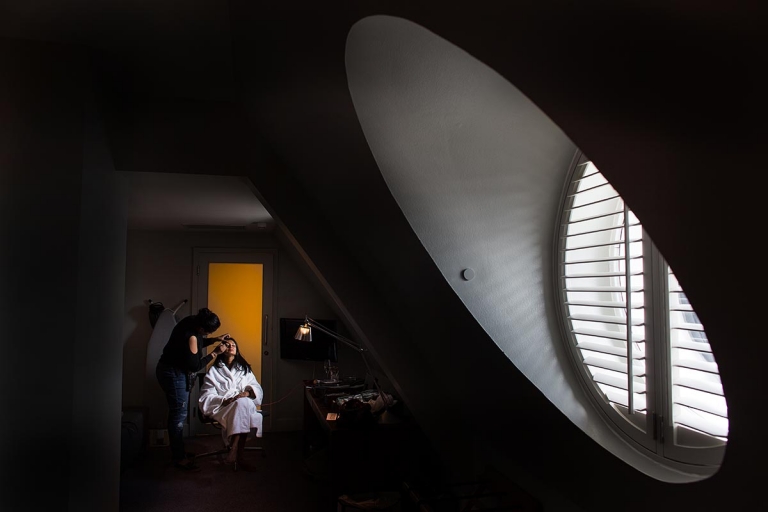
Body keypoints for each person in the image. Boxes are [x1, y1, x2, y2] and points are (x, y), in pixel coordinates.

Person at [156, 307, 231, 471]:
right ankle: (178, 458)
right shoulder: (191, 336)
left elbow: (199, 340)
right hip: (173, 373)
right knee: (179, 415)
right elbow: (195, 366)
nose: (207, 336)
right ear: (202, 329)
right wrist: (216, 352)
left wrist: (214, 339)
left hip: (170, 369)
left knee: (177, 413)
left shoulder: (191, 321)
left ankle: (179, 452)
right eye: (208, 333)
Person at [199, 338, 264, 471]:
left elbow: (256, 387)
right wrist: (224, 400)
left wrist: (248, 393)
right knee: (243, 406)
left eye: (234, 345)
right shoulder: (214, 371)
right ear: (222, 349)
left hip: (242, 404)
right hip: (223, 406)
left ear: (237, 349)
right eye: (227, 345)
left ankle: (234, 449)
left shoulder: (244, 369)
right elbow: (206, 395)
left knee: (243, 403)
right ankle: (239, 455)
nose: (231, 346)